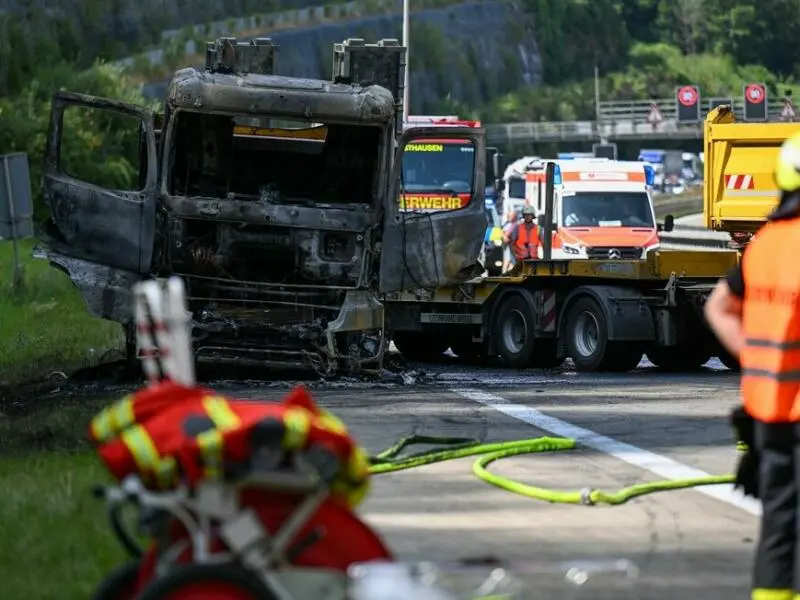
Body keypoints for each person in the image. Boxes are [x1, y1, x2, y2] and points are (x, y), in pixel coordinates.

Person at [704, 131, 800, 600]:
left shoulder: (763, 245)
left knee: (780, 524)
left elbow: (718, 306)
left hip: (768, 414)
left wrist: (758, 358)